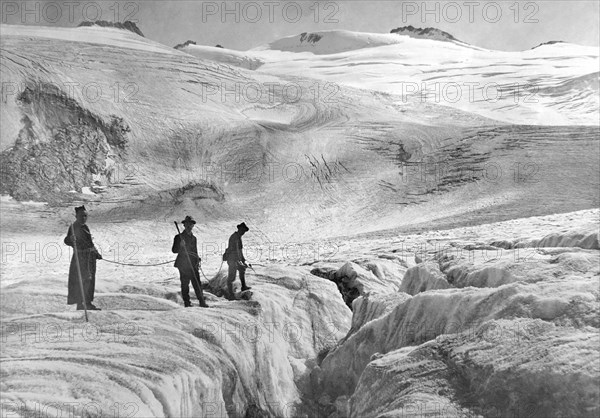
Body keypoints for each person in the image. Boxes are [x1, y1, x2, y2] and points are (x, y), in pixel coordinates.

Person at [64, 205, 102, 310]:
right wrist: (71, 239)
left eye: (85, 216)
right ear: (76, 216)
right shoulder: (74, 227)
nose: (84, 218)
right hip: (80, 258)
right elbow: (66, 240)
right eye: (81, 216)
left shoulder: (85, 227)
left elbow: (90, 243)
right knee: (82, 280)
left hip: (89, 258)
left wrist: (96, 253)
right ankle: (81, 304)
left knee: (89, 280)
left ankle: (88, 302)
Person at [172, 216, 208, 308]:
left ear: (193, 225)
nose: (189, 225)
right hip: (183, 264)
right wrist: (180, 246)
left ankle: (202, 302)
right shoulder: (179, 237)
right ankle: (187, 303)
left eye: (191, 224)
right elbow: (174, 250)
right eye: (187, 224)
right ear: (184, 225)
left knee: (197, 283)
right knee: (185, 284)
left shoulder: (194, 238)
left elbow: (195, 251)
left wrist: (197, 258)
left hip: (193, 264)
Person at [225, 222, 251, 300]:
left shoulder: (238, 237)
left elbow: (240, 251)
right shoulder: (234, 237)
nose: (243, 232)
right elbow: (235, 250)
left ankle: (243, 286)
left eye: (244, 231)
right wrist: (239, 261)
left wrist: (243, 260)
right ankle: (230, 294)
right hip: (232, 259)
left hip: (236, 259)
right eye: (242, 230)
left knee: (242, 269)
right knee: (231, 277)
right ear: (239, 229)